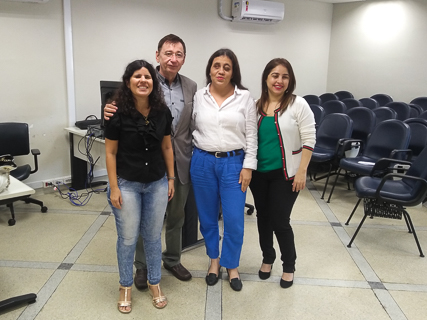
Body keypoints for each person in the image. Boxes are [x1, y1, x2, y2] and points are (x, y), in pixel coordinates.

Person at [104, 34, 197, 287]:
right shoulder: (144, 78)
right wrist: (108, 109)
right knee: (146, 219)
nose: (173, 59)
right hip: (146, 163)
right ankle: (142, 266)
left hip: (180, 158)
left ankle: (173, 259)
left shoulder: (191, 86)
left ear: (184, 59)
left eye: (178, 54)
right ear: (158, 55)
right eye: (168, 53)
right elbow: (119, 108)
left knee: (176, 214)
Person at [105, 59, 174, 313]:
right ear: (128, 82)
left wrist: (171, 178)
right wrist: (114, 187)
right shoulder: (115, 112)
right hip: (127, 184)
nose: (143, 80)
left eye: (147, 77)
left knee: (154, 237)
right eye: (137, 76)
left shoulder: (162, 113)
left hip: (156, 183)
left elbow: (167, 147)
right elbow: (110, 153)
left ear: (153, 83)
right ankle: (125, 286)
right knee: (128, 238)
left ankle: (155, 283)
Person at [190, 48, 258, 291]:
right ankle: (214, 261)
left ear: (233, 72)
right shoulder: (198, 96)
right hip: (202, 161)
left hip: (233, 163)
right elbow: (189, 128)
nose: (220, 71)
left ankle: (232, 264)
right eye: (216, 65)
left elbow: (252, 135)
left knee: (234, 220)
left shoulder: (245, 98)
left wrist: (248, 167)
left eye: (226, 67)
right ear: (210, 68)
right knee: (207, 217)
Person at [249, 58, 316, 288]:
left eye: (284, 76)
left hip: (286, 175)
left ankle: (289, 265)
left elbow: (309, 140)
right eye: (274, 75)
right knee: (263, 217)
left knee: (280, 219)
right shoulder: (256, 105)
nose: (279, 80)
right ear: (266, 78)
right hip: (259, 174)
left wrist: (302, 171)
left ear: (290, 80)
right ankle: (268, 258)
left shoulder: (299, 105)